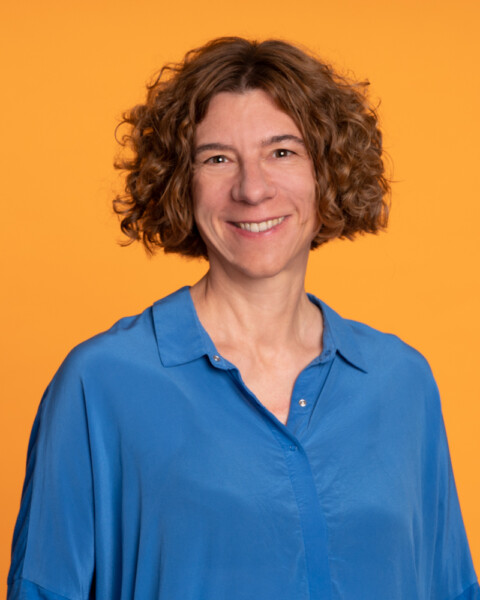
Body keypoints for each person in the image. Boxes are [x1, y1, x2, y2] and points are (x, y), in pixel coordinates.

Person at [8, 37, 479, 600]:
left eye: (282, 152)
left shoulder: (400, 382)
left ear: (326, 171)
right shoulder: (101, 382)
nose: (252, 189)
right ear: (180, 182)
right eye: (217, 159)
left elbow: (450, 588)